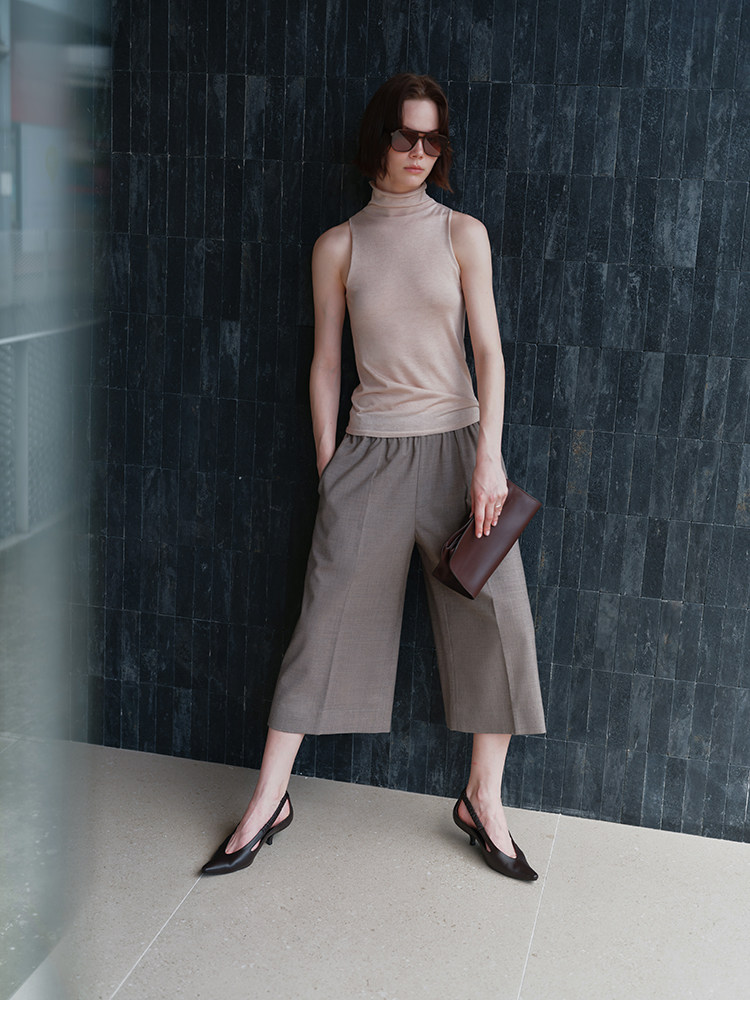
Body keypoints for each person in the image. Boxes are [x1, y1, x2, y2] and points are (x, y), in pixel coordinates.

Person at [202, 73, 546, 882]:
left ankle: (483, 800)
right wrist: (332, 469)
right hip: (371, 456)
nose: (420, 152)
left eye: (433, 139)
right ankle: (268, 800)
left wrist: (490, 457)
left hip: (460, 450)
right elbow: (326, 363)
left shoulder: (462, 234)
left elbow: (490, 354)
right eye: (404, 136)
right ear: (377, 142)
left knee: (501, 620)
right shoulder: (340, 245)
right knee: (322, 620)